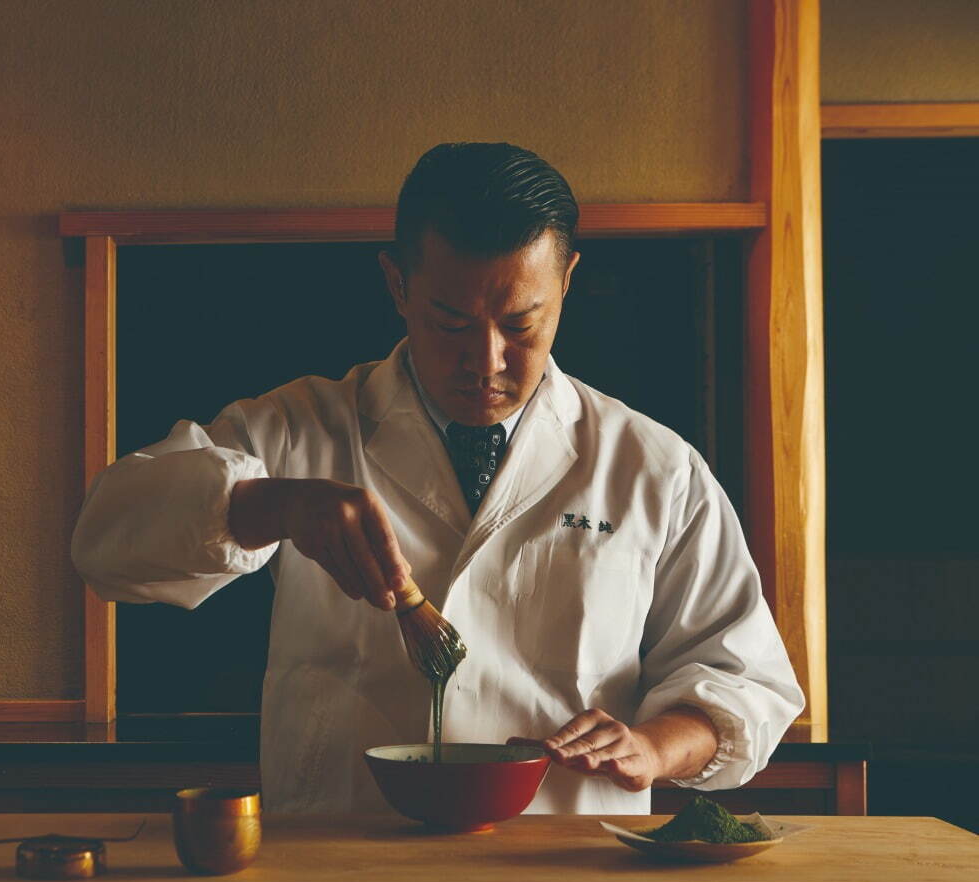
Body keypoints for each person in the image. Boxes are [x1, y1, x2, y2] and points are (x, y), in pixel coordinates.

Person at [72, 142, 805, 815]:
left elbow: (743, 679)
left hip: (568, 877)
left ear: (568, 281)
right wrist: (269, 504)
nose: (485, 361)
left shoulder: (654, 466)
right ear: (397, 283)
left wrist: (652, 747)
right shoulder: (304, 428)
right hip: (342, 870)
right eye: (451, 322)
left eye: (521, 324)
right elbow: (104, 542)